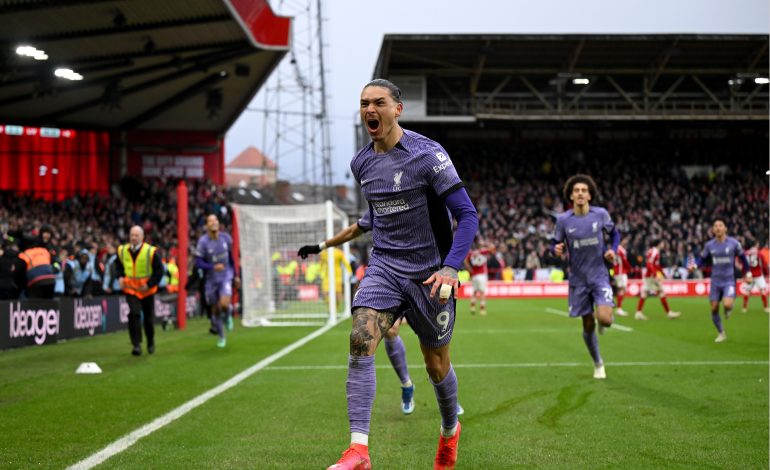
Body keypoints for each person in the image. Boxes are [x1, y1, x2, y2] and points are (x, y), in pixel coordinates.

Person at [299, 78, 477, 470]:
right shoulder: (361, 162)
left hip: (431, 275)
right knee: (361, 338)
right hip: (384, 267)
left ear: (398, 109)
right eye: (364, 103)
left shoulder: (428, 155)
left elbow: (467, 214)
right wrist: (328, 244)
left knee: (436, 364)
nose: (369, 110)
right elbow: (373, 219)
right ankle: (358, 450)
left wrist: (450, 267)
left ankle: (450, 431)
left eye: (378, 102)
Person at [552, 174, 618, 380]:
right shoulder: (563, 220)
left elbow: (615, 234)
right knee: (588, 325)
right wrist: (556, 249)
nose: (580, 193)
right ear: (571, 196)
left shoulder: (601, 215)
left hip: (599, 275)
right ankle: (598, 363)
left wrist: (613, 250)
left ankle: (603, 319)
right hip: (578, 280)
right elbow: (553, 244)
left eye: (584, 190)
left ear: (590, 195)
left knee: (605, 319)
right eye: (576, 191)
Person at [688, 218, 750, 342]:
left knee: (727, 304)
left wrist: (747, 273)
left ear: (725, 228)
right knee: (714, 308)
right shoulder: (709, 245)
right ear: (713, 229)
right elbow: (702, 259)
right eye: (715, 226)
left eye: (720, 225)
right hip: (715, 281)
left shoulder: (734, 243)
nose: (718, 228)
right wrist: (695, 266)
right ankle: (721, 333)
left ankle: (728, 309)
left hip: (729, 280)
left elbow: (743, 259)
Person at [116, 225, 164, 356]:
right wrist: (119, 277)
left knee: (148, 318)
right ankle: (136, 344)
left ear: (142, 237)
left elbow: (160, 271)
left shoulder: (151, 251)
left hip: (147, 290)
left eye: (137, 235)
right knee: (134, 313)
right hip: (131, 288)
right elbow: (118, 266)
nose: (134, 238)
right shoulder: (122, 250)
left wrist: (149, 284)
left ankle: (150, 341)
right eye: (132, 235)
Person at [194, 214, 239, 348]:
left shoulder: (226, 238)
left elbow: (230, 257)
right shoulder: (203, 242)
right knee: (216, 309)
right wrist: (212, 266)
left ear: (218, 223)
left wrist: (235, 275)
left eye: (215, 220)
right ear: (207, 225)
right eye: (210, 221)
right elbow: (198, 262)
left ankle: (228, 315)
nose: (213, 223)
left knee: (225, 304)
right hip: (211, 279)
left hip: (226, 276)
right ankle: (221, 336)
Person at [634, 239, 681, 320]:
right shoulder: (655, 251)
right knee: (661, 292)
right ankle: (669, 313)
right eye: (662, 243)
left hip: (649, 275)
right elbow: (650, 263)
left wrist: (662, 273)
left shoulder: (652, 251)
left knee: (644, 293)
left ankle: (638, 313)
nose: (663, 244)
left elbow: (655, 265)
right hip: (651, 276)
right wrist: (655, 274)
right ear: (659, 244)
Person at [17, 230, 56, 299]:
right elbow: (52, 263)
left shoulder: (26, 253)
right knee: (48, 302)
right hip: (51, 278)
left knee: (24, 296)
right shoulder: (45, 251)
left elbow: (20, 271)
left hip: (35, 279)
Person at [319, 246, 352, 310]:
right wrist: (320, 272)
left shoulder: (339, 252)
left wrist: (349, 271)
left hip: (337, 276)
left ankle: (335, 309)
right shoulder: (324, 253)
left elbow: (345, 262)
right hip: (327, 276)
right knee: (324, 292)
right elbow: (321, 263)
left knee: (337, 295)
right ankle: (331, 308)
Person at [464, 239, 491, 315]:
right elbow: (492, 249)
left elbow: (465, 260)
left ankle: (472, 307)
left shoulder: (472, 253)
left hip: (474, 275)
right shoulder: (483, 252)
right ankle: (482, 309)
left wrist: (470, 269)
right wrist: (487, 244)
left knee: (475, 292)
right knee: (482, 292)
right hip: (482, 274)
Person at [740, 239, 768, 313]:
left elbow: (744, 265)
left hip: (749, 275)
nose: (758, 245)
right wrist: (766, 273)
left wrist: (744, 274)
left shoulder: (746, 253)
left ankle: (744, 308)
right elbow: (764, 265)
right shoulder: (759, 253)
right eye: (758, 244)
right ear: (756, 244)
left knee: (747, 291)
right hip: (758, 274)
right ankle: (766, 307)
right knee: (762, 290)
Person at [612, 236, 631, 317]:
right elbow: (624, 261)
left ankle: (617, 306)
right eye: (625, 240)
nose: (626, 242)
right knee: (622, 289)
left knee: (620, 290)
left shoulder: (616, 248)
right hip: (620, 272)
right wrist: (630, 268)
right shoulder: (621, 250)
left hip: (617, 272)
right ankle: (619, 309)